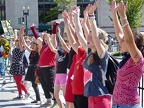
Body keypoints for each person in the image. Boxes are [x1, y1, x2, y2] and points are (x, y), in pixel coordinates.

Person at [70, 3, 112, 108]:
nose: (88, 38)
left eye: (90, 37)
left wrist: (92, 16)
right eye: (88, 36)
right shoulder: (90, 53)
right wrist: (76, 16)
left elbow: (96, 38)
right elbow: (79, 33)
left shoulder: (102, 54)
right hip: (91, 97)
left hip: (100, 98)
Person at [110, 0, 144, 107]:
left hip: (129, 105)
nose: (120, 41)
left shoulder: (137, 58)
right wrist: (114, 15)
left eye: (123, 40)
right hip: (117, 104)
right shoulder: (127, 57)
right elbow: (119, 33)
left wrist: (123, 17)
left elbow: (129, 40)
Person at [62, 10, 88, 108]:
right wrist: (66, 22)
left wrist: (76, 17)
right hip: (76, 91)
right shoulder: (81, 52)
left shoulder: (90, 54)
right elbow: (73, 41)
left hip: (84, 93)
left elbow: (79, 34)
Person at [31, 22, 58, 107]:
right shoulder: (44, 45)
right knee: (44, 85)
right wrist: (33, 28)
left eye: (47, 36)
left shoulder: (52, 45)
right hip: (41, 69)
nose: (45, 36)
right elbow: (37, 38)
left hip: (49, 68)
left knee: (51, 85)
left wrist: (54, 26)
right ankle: (48, 100)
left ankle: (56, 101)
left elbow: (53, 36)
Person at [45, 26, 70, 108]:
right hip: (58, 75)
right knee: (56, 95)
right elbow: (52, 49)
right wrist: (48, 40)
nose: (65, 44)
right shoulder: (61, 52)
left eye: (67, 42)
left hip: (64, 75)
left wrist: (59, 34)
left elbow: (65, 45)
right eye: (65, 42)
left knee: (66, 96)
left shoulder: (69, 53)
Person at [20, 27, 41, 104]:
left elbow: (39, 43)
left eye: (33, 45)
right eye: (31, 45)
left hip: (35, 68)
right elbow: (25, 45)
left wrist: (36, 38)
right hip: (31, 67)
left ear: (37, 46)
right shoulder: (31, 51)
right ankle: (37, 99)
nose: (32, 46)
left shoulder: (38, 52)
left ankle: (39, 99)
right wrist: (21, 34)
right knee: (33, 84)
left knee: (35, 84)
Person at [9, 27, 30, 100]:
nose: (16, 41)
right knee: (16, 81)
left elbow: (21, 40)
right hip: (15, 65)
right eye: (16, 41)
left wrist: (21, 33)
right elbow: (15, 39)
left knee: (19, 81)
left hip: (19, 65)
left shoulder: (21, 48)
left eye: (17, 41)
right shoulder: (15, 47)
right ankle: (20, 94)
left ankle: (26, 92)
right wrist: (15, 32)